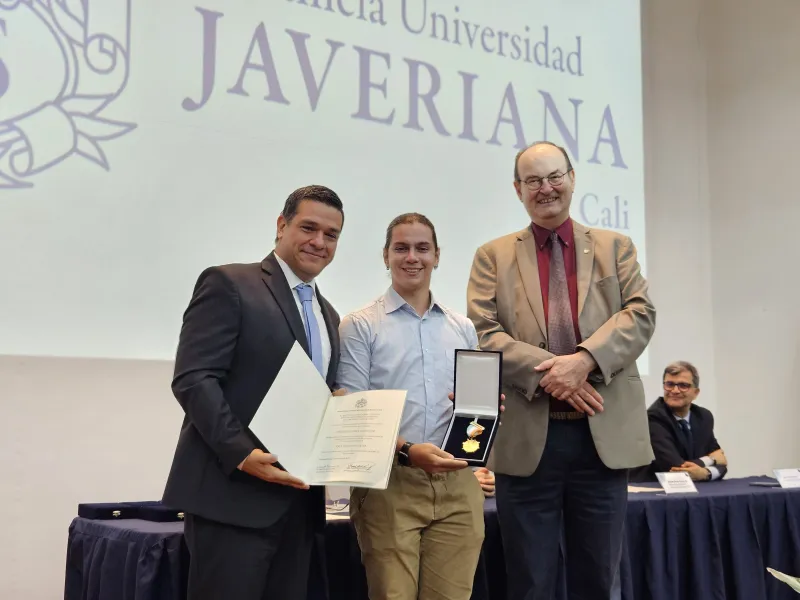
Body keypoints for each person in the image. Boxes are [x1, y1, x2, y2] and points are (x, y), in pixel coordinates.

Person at [467, 141, 657, 600]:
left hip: (601, 439)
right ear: (518, 190)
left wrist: (585, 361)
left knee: (599, 579)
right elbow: (483, 331)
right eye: (533, 180)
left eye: (554, 176)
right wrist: (554, 372)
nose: (545, 188)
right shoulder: (492, 255)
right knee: (530, 581)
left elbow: (640, 314)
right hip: (528, 441)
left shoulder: (617, 247)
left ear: (572, 179)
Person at [162, 185, 345, 600]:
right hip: (231, 499)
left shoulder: (328, 313)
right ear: (282, 226)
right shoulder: (229, 283)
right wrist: (242, 453)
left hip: (298, 505)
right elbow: (194, 378)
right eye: (308, 227)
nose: (319, 242)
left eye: (331, 235)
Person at [336, 213, 488, 600]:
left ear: (437, 256)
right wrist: (406, 450)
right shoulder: (360, 325)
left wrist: (485, 409)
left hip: (458, 484)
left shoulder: (462, 327)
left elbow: (471, 409)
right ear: (385, 256)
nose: (412, 257)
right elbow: (352, 412)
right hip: (390, 483)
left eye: (422, 248)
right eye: (401, 248)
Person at [630, 361, 727, 483]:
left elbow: (722, 463)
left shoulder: (703, 417)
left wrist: (706, 473)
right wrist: (711, 460)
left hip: (693, 490)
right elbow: (675, 469)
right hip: (651, 491)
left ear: (696, 393)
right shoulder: (652, 418)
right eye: (669, 384)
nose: (675, 390)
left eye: (683, 385)